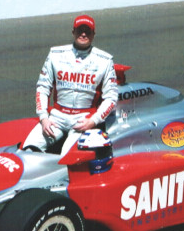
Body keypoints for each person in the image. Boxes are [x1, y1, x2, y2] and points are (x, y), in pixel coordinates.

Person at [22, 14, 118, 155]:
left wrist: (94, 120)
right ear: (73, 32)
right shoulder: (56, 54)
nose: (83, 34)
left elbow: (111, 97)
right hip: (56, 118)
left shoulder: (105, 60)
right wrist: (43, 117)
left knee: (68, 157)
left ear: (93, 34)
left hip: (84, 119)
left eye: (87, 31)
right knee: (28, 149)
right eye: (80, 30)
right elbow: (43, 87)